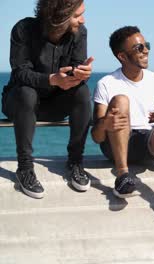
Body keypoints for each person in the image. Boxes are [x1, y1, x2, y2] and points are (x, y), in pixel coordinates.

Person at [91, 26, 154, 233]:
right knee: (121, 100)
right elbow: (97, 137)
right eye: (139, 48)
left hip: (147, 142)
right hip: (115, 145)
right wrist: (105, 124)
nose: (146, 51)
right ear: (122, 56)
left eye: (146, 46)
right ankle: (123, 176)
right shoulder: (106, 83)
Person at [1, 0, 93, 199]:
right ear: (59, 16)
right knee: (27, 92)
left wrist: (79, 75)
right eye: (77, 15)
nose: (82, 20)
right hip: (19, 102)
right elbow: (20, 74)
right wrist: (51, 79)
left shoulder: (80, 32)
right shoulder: (23, 29)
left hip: (54, 103)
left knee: (83, 92)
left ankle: (75, 162)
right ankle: (24, 168)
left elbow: (76, 68)